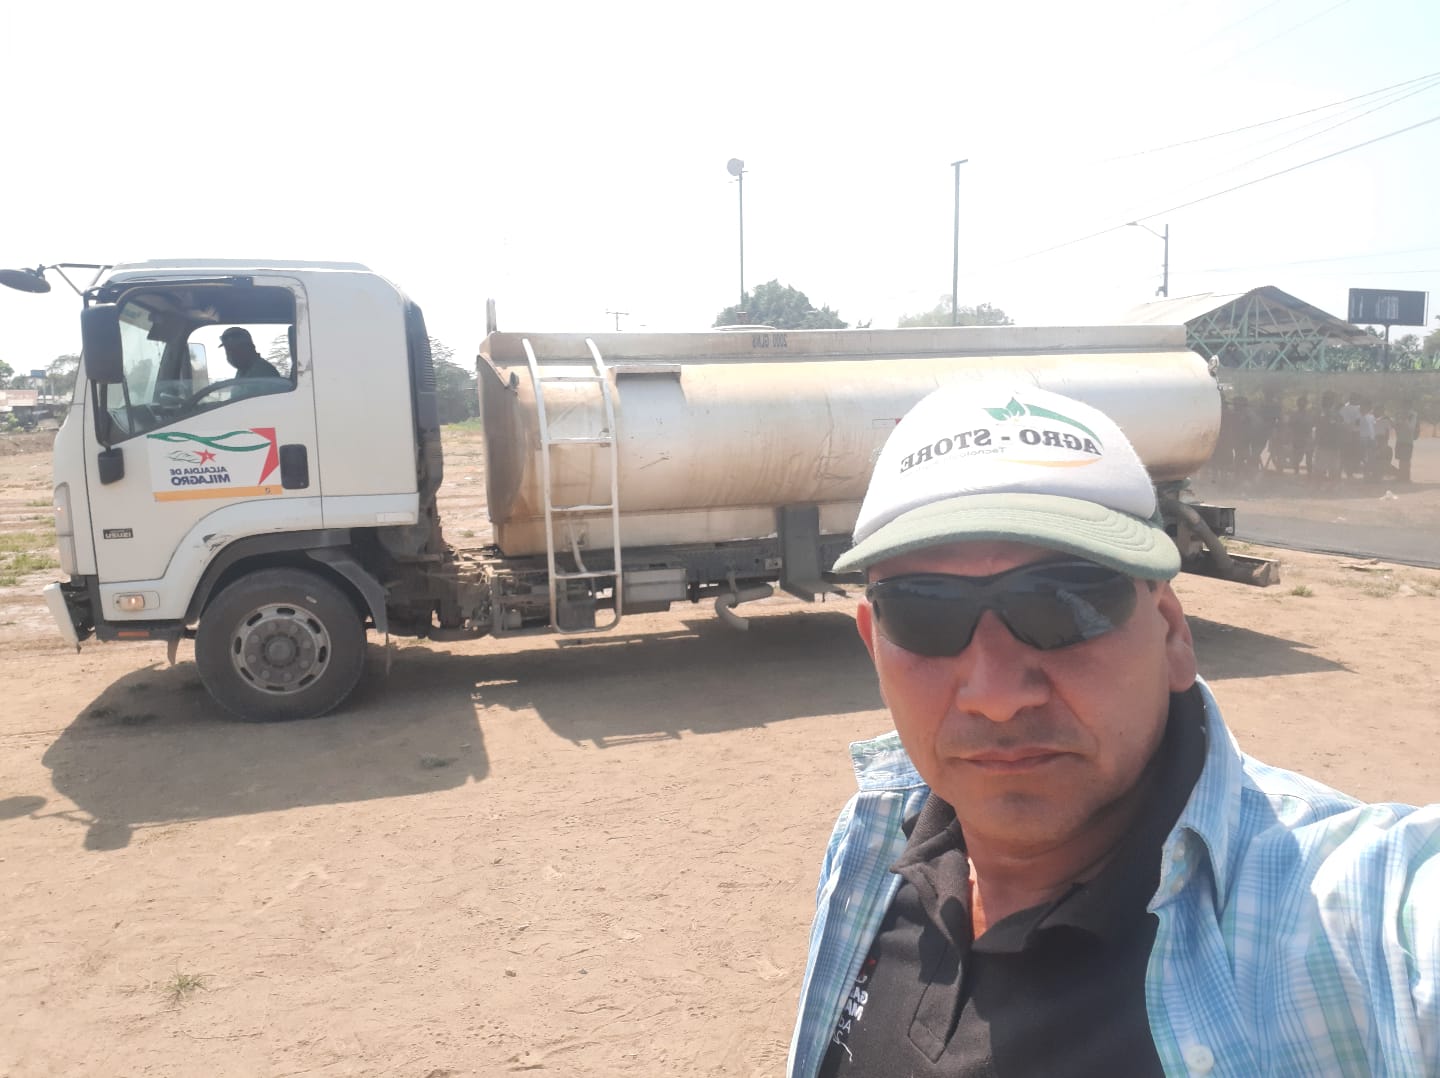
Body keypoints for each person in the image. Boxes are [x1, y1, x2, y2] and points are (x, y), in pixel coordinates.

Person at [787, 383, 1439, 1078]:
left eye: (1065, 603)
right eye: (923, 613)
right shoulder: (871, 840)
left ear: (1172, 633)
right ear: (875, 647)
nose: (997, 696)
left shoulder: (1355, 915)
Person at [218, 327, 283, 380]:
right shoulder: (243, 370)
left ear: (249, 347)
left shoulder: (263, 372)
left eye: (234, 350)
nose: (230, 355)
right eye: (228, 350)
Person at [1396, 408, 1419, 483]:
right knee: (1401, 460)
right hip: (1400, 440)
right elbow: (1397, 427)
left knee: (1406, 460)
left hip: (1408, 441)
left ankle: (1406, 478)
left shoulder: (1413, 415)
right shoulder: (1399, 414)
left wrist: (1405, 419)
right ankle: (1401, 477)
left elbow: (1411, 428)